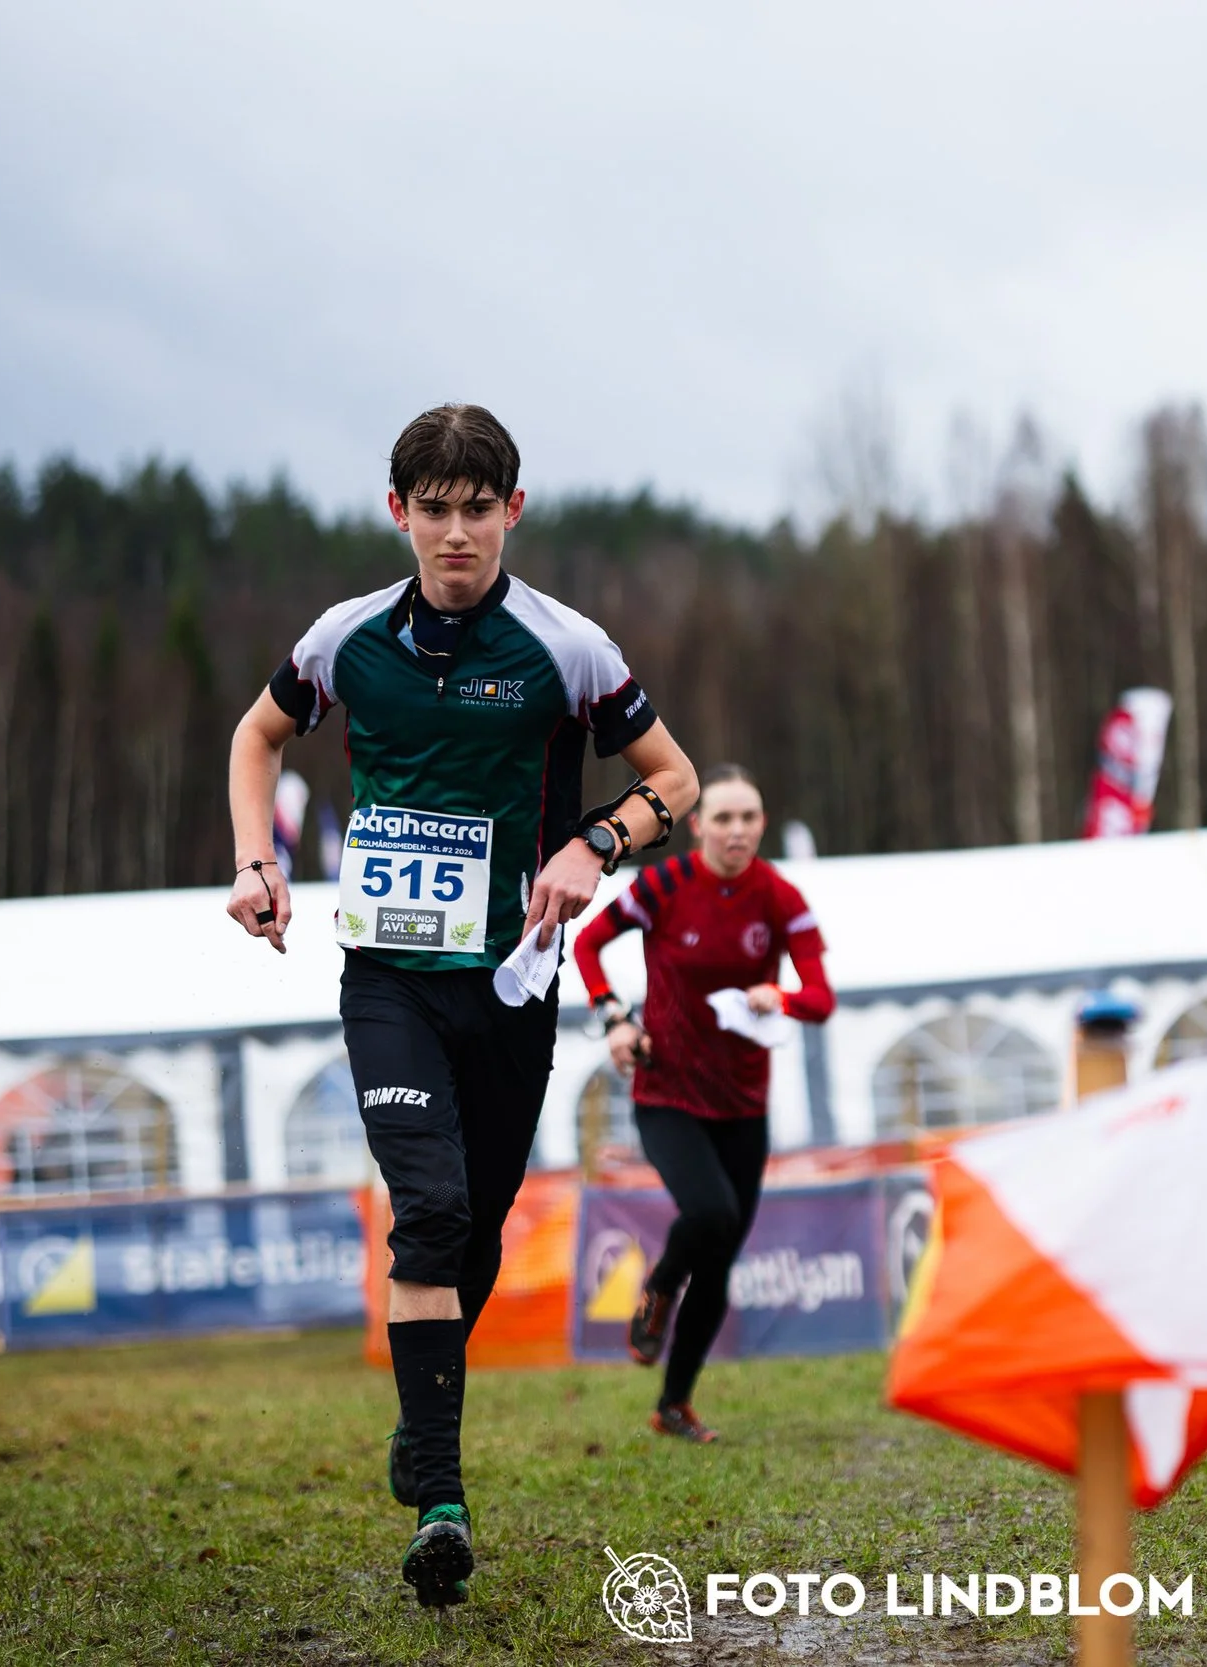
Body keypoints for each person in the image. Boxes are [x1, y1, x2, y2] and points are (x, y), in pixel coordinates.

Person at [224, 404, 695, 1610]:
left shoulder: (565, 645)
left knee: (475, 1234)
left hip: (511, 984)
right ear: (399, 514)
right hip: (386, 977)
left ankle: (416, 1421)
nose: (454, 533)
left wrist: (596, 841)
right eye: (431, 509)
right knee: (427, 1210)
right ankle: (441, 1493)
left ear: (512, 512)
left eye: (476, 509)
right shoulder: (348, 637)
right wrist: (255, 861)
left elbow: (675, 782)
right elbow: (258, 733)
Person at [571, 765, 836, 1444]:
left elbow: (821, 997)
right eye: (723, 817)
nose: (737, 829)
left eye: (748, 817)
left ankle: (673, 1405)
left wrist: (782, 998)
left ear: (762, 824)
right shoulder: (662, 884)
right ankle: (659, 1287)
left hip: (744, 1104)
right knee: (710, 1212)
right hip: (666, 1093)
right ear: (697, 826)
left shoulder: (779, 896)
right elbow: (589, 941)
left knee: (720, 1258)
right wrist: (614, 1018)